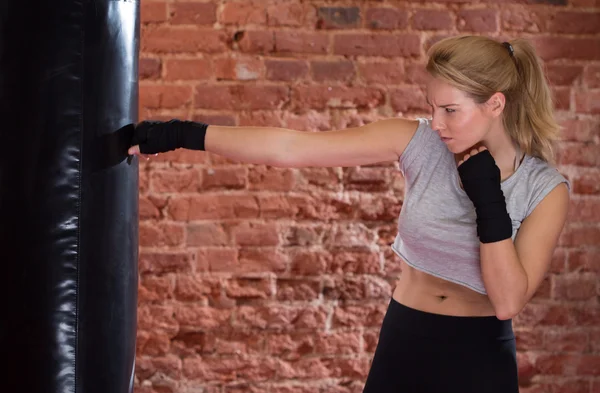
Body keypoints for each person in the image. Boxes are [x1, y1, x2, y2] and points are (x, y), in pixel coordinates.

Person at [129, 35, 570, 392]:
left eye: (450, 110)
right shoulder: (419, 143)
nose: (436, 123)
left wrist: (487, 197)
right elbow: (292, 147)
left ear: (495, 104)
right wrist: (179, 134)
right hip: (406, 338)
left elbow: (509, 300)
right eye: (432, 107)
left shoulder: (544, 189)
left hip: (479, 357)